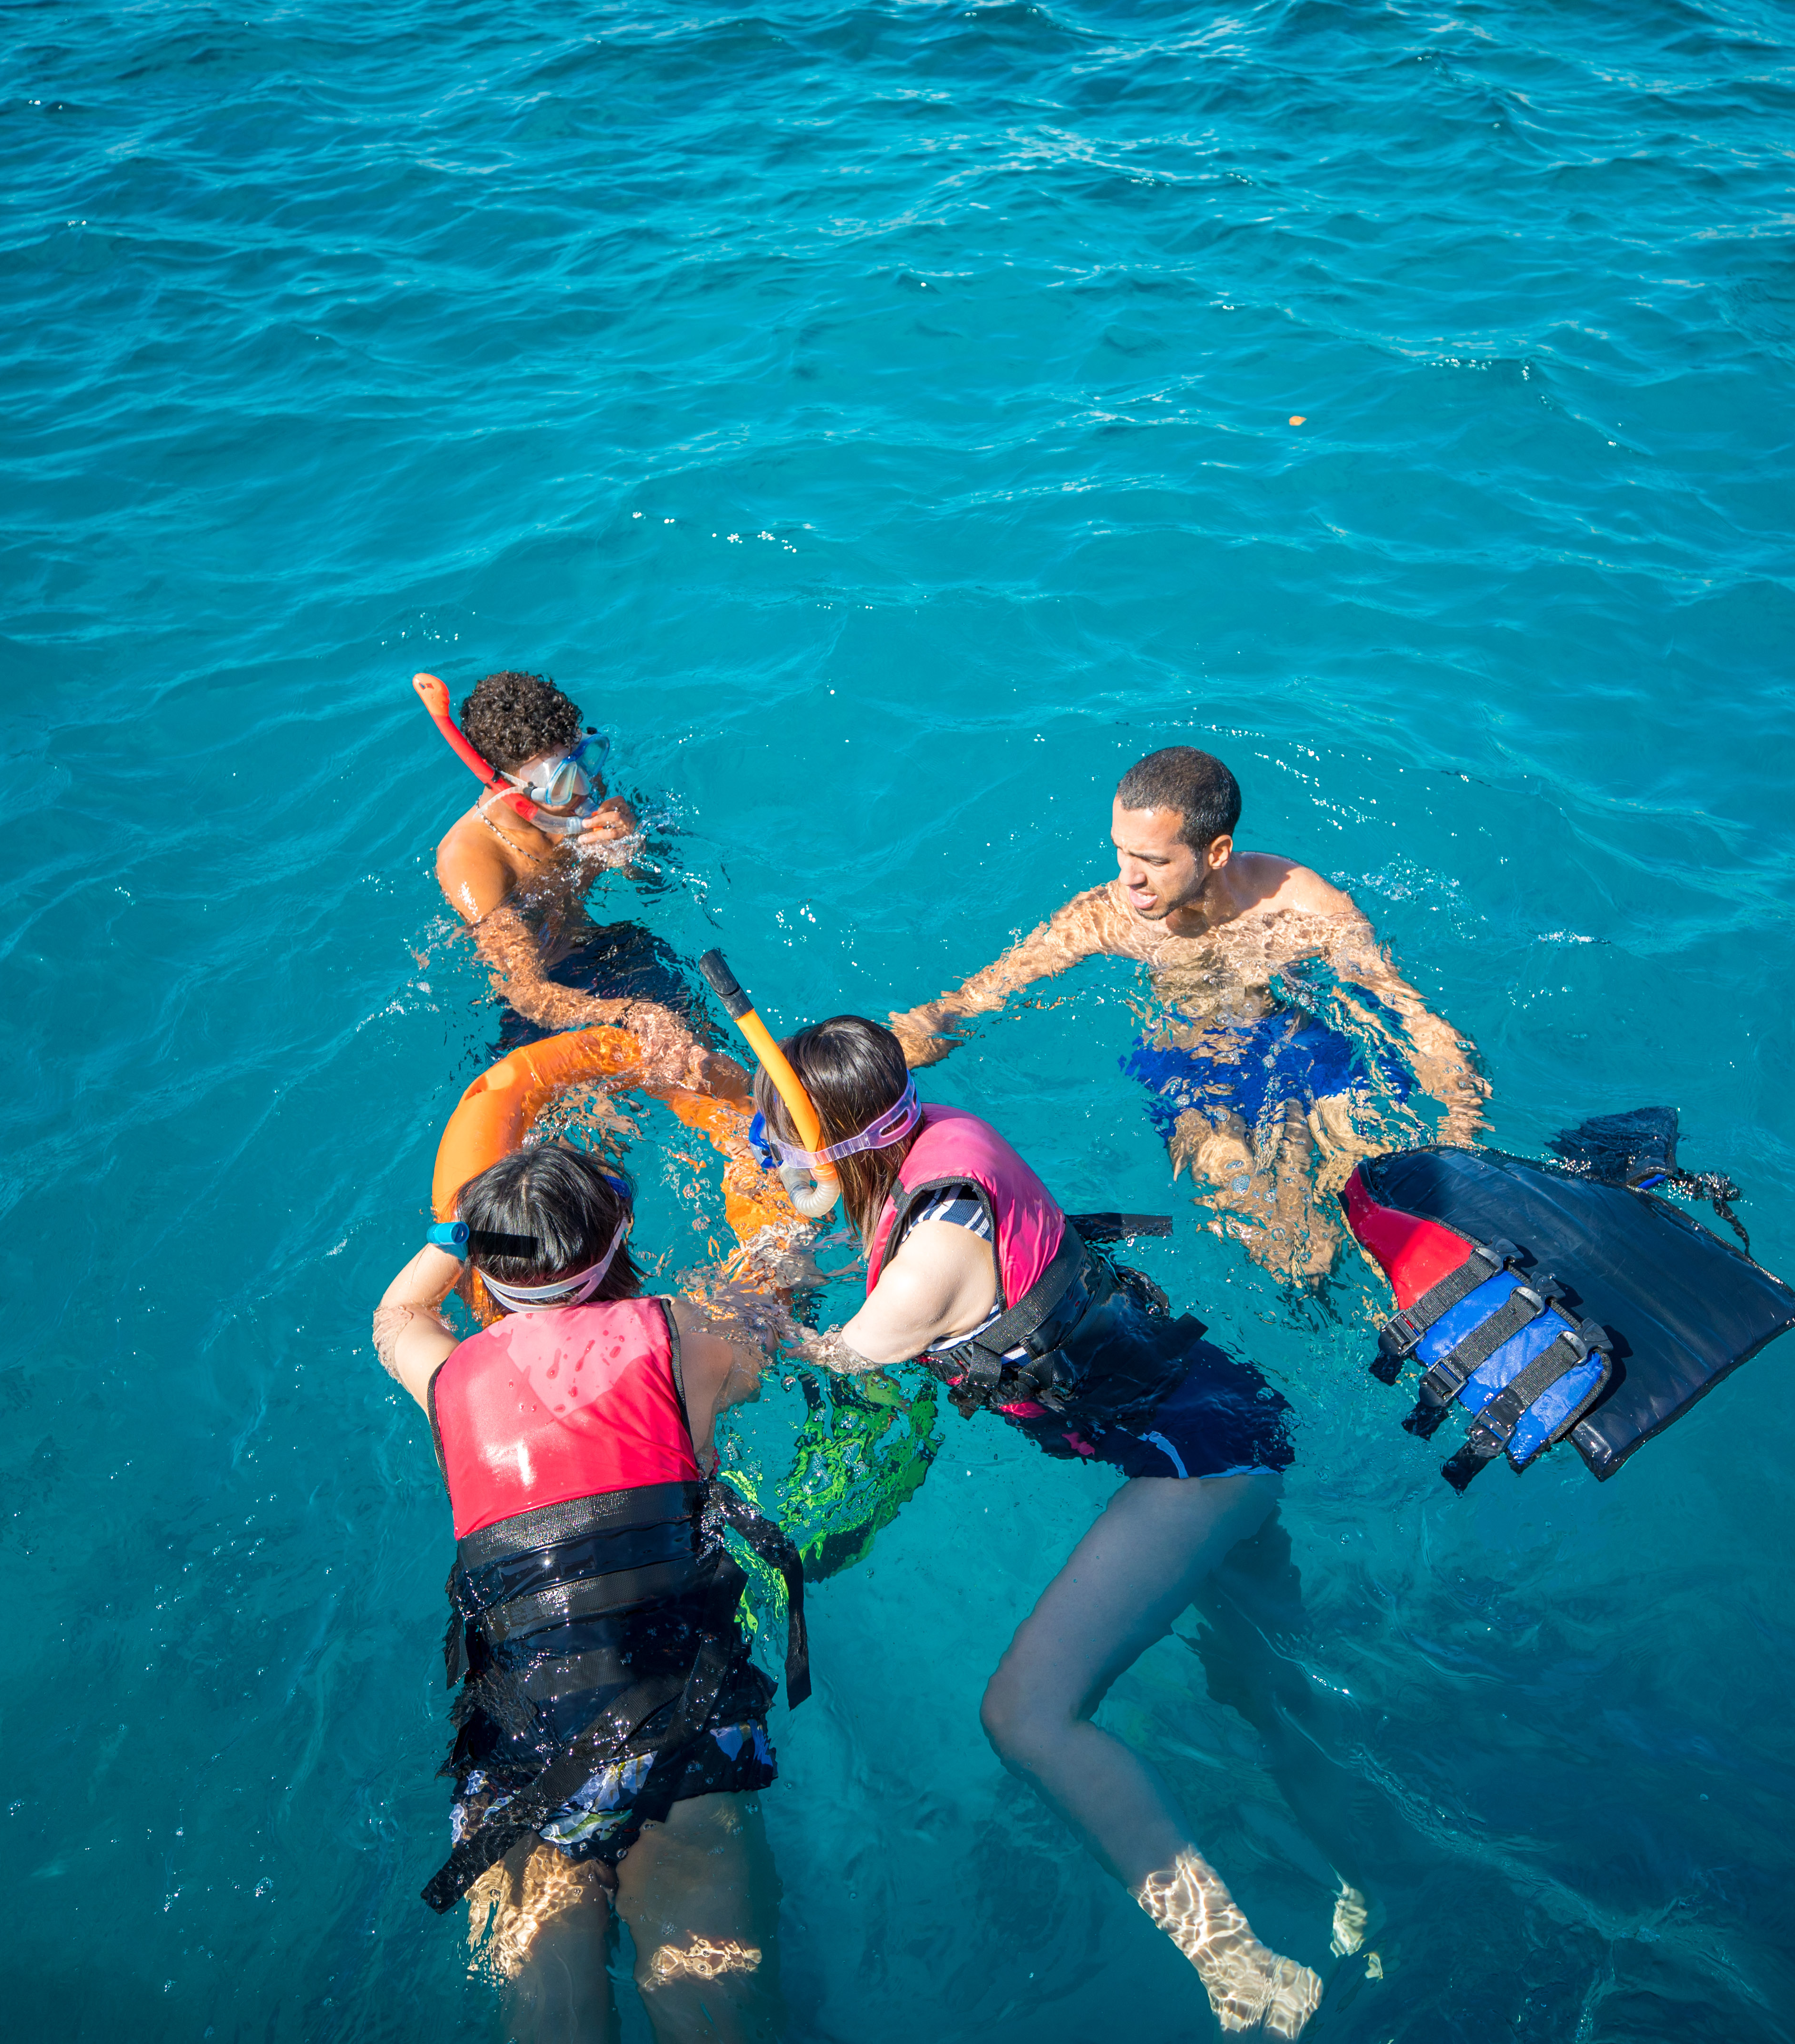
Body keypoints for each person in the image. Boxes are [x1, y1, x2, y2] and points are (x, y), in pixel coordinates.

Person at [755, 1016, 1325, 2038]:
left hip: (1194, 1464)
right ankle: (1349, 1859)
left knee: (1025, 1717)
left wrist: (748, 1310)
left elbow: (836, 1353)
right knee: (1262, 1683)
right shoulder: (941, 1139)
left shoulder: (927, 1266)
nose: (774, 1165)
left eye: (783, 1150)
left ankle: (1243, 1966)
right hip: (1223, 1408)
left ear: (839, 1150)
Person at [372, 1145, 805, 2044]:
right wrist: (794, 1219)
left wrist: (454, 1238)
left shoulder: (448, 1379)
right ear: (621, 1234)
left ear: (483, 1268)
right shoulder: (678, 1336)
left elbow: (396, 1314)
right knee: (716, 2019)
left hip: (520, 1755)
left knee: (551, 2022)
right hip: (679, 1733)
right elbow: (770, 1328)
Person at [891, 745, 1491, 1280]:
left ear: (1217, 851)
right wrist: (895, 1056)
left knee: (1375, 1192)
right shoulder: (1109, 917)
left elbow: (1410, 1014)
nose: (1128, 879)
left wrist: (1460, 1118)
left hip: (1303, 1047)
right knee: (1286, 1248)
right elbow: (976, 997)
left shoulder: (1302, 910)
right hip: (1191, 1064)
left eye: (1153, 860)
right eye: (1120, 851)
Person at [433, 669, 741, 1098]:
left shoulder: (578, 793)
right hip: (550, 1006)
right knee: (623, 1105)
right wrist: (629, 1013)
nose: (585, 787)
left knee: (705, 1060)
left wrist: (631, 852)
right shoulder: (472, 860)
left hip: (609, 952)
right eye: (563, 781)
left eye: (585, 760)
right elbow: (527, 992)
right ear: (508, 786)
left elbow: (654, 887)